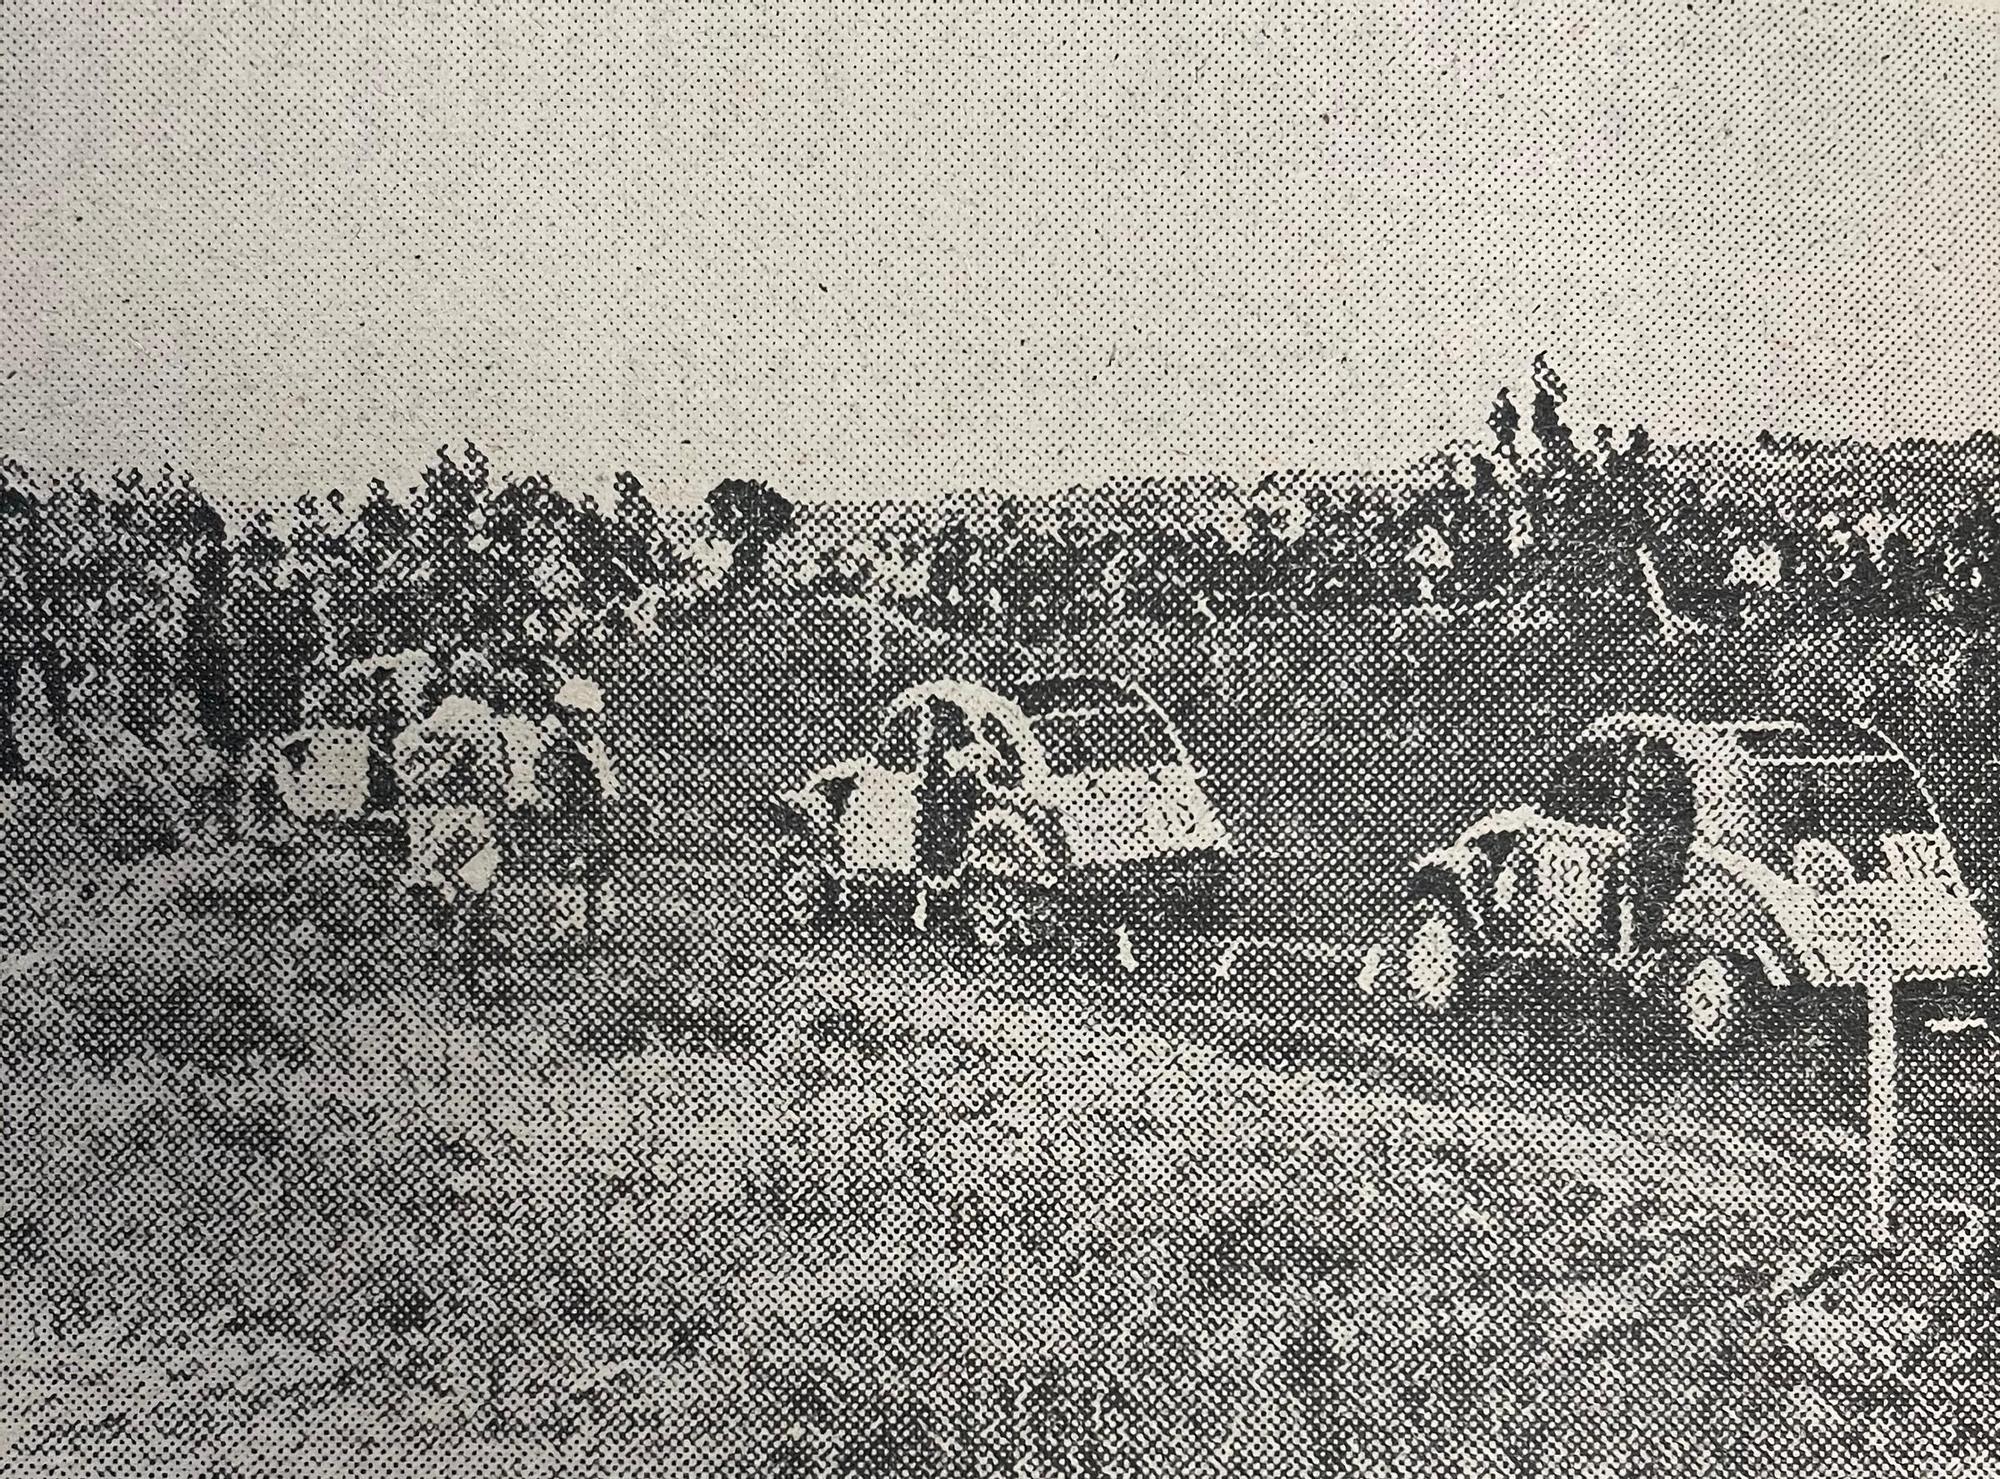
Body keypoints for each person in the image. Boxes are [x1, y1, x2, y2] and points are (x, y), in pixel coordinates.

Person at [394, 651, 510, 991]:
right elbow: (492, 776)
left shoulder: (436, 718)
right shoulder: (483, 720)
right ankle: (463, 964)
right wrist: (497, 812)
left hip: (431, 813)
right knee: (472, 889)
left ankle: (431, 961)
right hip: (470, 812)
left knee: (438, 884)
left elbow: (407, 763)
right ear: (481, 683)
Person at [539, 675, 618, 952]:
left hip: (594, 821)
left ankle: (599, 929)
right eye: (576, 715)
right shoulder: (560, 750)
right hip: (569, 821)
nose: (583, 721)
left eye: (587, 715)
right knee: (568, 873)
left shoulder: (596, 746)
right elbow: (552, 789)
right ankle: (566, 934)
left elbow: (608, 782)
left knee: (597, 876)